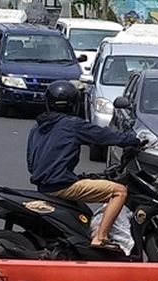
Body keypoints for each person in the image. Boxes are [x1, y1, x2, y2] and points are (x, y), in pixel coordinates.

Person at [26, 80, 144, 248]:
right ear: (74, 104)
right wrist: (134, 140)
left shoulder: (37, 127)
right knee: (120, 191)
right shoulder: (72, 124)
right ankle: (100, 238)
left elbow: (31, 162)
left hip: (43, 186)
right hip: (61, 185)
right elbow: (103, 136)